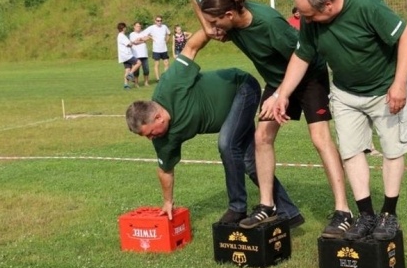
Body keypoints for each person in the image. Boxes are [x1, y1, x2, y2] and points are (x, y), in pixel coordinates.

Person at [191, 0, 352, 236]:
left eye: (216, 21)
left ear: (230, 15)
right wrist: (209, 26)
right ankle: (268, 205)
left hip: (309, 76)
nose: (214, 27)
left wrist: (280, 96)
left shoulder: (269, 24)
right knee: (261, 137)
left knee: (320, 139)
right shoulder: (227, 19)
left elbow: (302, 57)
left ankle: (343, 211)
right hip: (277, 80)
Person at [273, 0, 407, 241]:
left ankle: (388, 214)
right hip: (345, 94)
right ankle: (366, 216)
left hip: (386, 89)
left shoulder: (365, 5)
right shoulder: (310, 19)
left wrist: (399, 83)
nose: (305, 20)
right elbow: (302, 55)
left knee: (392, 149)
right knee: (350, 151)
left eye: (309, 15)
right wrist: (283, 93)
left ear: (327, 5)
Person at [125, 31, 303, 228]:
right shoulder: (162, 138)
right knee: (251, 163)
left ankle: (237, 208)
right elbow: (165, 170)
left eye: (150, 133)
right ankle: (289, 212)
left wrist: (210, 28)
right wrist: (168, 202)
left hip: (242, 87)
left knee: (227, 143)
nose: (151, 139)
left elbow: (191, 48)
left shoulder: (170, 84)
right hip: (231, 114)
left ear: (158, 117)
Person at [140, 15, 171, 81]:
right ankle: (158, 78)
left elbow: (168, 34)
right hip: (156, 49)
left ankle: (165, 77)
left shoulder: (164, 27)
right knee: (157, 64)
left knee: (166, 63)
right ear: (155, 21)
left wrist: (166, 41)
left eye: (160, 21)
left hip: (164, 49)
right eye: (158, 21)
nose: (159, 22)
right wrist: (150, 37)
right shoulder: (152, 28)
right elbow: (143, 33)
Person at [116, 22, 141, 89]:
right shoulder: (122, 36)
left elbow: (129, 43)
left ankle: (126, 85)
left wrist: (133, 42)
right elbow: (129, 44)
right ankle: (131, 74)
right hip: (127, 55)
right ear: (124, 28)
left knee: (127, 69)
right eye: (125, 28)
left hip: (123, 56)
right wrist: (133, 42)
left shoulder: (120, 36)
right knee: (138, 62)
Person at [129, 21, 151, 86]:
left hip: (144, 54)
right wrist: (143, 41)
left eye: (139, 26)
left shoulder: (143, 32)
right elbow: (134, 42)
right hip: (136, 55)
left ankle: (146, 82)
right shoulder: (132, 34)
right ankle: (136, 83)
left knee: (146, 69)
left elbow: (148, 37)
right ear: (134, 27)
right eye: (137, 26)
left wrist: (140, 39)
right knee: (136, 71)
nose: (138, 27)